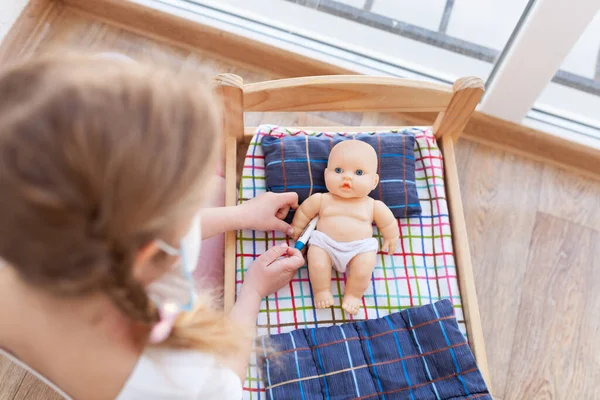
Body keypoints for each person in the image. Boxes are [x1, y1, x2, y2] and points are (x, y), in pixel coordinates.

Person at [0, 54, 304, 399]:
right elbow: (229, 384)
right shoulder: (175, 378)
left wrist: (241, 215)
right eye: (193, 200)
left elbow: (147, 233)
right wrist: (251, 292)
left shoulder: (35, 236)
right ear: (149, 252)